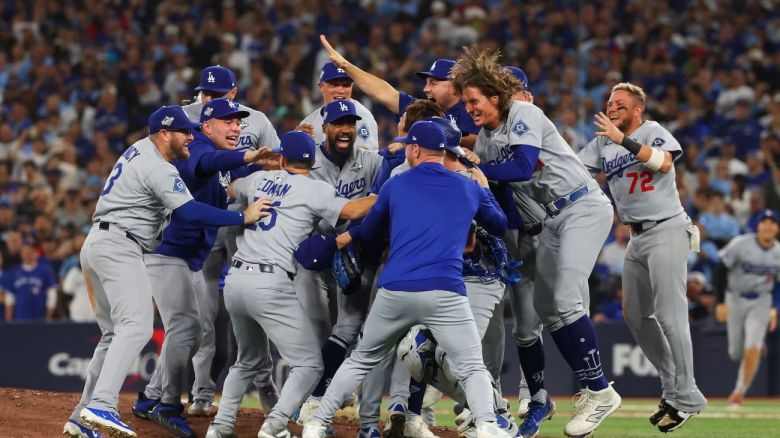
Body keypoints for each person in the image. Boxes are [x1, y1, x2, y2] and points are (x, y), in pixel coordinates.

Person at [62, 105, 270, 438]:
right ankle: (101, 404)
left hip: (97, 243)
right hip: (121, 246)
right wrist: (242, 217)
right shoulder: (159, 168)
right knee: (136, 326)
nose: (191, 137)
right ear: (164, 134)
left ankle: (79, 419)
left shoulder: (136, 151)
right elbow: (190, 212)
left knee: (113, 335)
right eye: (184, 132)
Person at [449, 49, 620, 438]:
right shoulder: (489, 142)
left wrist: (473, 169)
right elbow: (508, 209)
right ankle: (588, 391)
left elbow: (523, 165)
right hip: (550, 220)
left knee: (564, 300)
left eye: (474, 100)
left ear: (496, 96)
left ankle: (599, 390)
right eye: (466, 103)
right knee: (546, 306)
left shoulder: (524, 113)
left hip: (582, 205)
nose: (470, 108)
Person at [301, 120, 509, 438]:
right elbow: (498, 224)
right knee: (471, 366)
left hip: (396, 289)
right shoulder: (468, 185)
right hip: (446, 291)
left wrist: (357, 237)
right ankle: (488, 426)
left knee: (361, 359)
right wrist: (484, 189)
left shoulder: (396, 185)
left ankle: (317, 422)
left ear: (413, 149)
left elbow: (369, 233)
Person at [204, 131, 377, 438]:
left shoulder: (256, 180)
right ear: (312, 161)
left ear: (282, 158)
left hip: (236, 280)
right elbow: (352, 211)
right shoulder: (315, 189)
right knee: (310, 365)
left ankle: (220, 427)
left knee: (247, 361)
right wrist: (382, 195)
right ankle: (275, 424)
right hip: (270, 282)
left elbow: (229, 188)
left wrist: (268, 175)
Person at [131, 98, 274, 437]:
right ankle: (166, 403)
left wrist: (264, 164)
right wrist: (247, 159)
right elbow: (208, 162)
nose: (237, 127)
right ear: (206, 126)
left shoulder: (222, 157)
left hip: (189, 259)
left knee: (191, 335)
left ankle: (150, 396)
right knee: (184, 329)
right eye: (228, 122)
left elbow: (236, 173)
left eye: (239, 122)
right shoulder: (197, 147)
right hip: (167, 253)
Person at [577, 82, 708, 432]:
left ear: (637, 110)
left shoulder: (652, 131)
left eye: (620, 103)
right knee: (635, 315)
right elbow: (572, 171)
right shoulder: (604, 141)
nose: (612, 107)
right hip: (635, 236)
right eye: (609, 102)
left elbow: (664, 163)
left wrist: (624, 141)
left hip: (666, 227)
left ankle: (688, 396)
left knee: (670, 314)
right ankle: (674, 387)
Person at [182, 65, 282, 416]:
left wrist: (248, 178)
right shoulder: (190, 123)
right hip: (209, 226)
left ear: (234, 93)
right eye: (206, 94)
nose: (209, 99)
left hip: (244, 224)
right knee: (205, 316)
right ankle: (202, 392)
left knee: (252, 306)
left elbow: (276, 163)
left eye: (218, 94)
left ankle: (264, 379)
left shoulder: (253, 121)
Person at [294, 98, 383, 434]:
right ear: (326, 128)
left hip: (352, 255)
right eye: (339, 124)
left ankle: (318, 402)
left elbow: (393, 176)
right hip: (312, 257)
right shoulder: (307, 161)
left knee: (347, 328)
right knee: (315, 333)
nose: (346, 129)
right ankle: (303, 402)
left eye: (351, 124)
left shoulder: (370, 161)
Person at [319, 35, 480, 149]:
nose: (426, 89)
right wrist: (347, 66)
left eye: (434, 83)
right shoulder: (424, 110)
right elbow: (384, 92)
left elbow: (479, 141)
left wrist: (438, 134)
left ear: (453, 85)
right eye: (426, 83)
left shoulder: (471, 109)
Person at [714, 209, 780, 407]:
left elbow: (778, 285)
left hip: (761, 300)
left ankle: (738, 393)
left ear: (777, 228)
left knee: (752, 347)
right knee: (735, 352)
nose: (768, 226)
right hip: (734, 298)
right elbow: (720, 270)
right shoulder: (740, 244)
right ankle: (757, 347)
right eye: (764, 222)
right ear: (757, 226)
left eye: (772, 223)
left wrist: (775, 308)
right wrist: (721, 302)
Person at [298, 61, 379, 150]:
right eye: (334, 85)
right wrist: (297, 140)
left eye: (346, 85)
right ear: (321, 86)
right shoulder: (309, 122)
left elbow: (366, 157)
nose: (341, 90)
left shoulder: (361, 115)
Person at [2, 240, 57, 321]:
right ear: (21, 254)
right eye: (25, 252)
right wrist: (9, 320)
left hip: (40, 318)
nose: (27, 255)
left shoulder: (45, 271)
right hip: (20, 318)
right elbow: (10, 298)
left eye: (30, 252)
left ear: (35, 253)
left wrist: (48, 317)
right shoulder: (14, 272)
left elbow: (52, 295)